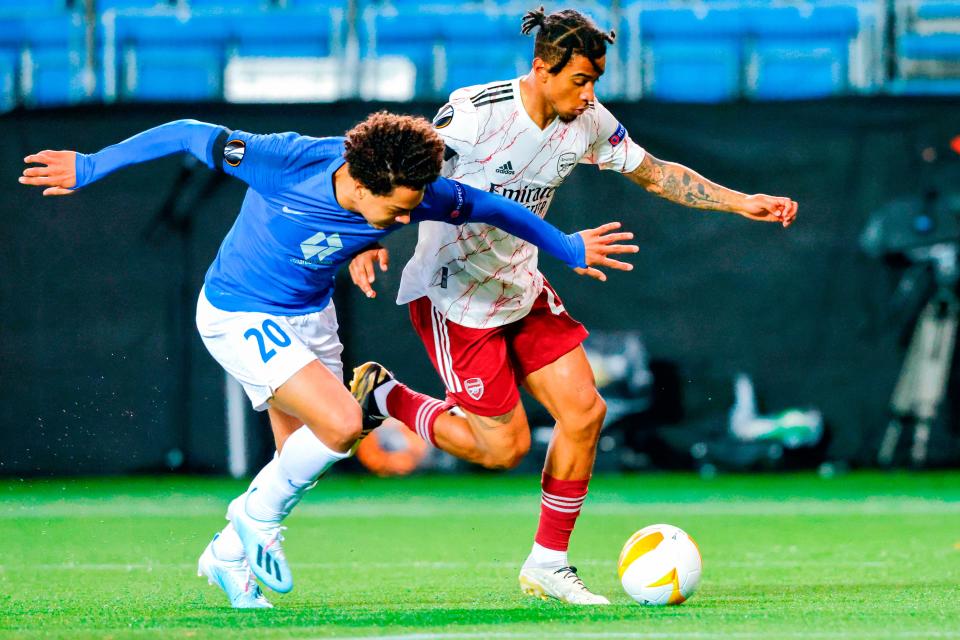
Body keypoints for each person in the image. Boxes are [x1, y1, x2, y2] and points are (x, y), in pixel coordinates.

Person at [19, 112, 638, 608]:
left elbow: (493, 208)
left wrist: (567, 245)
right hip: (239, 311)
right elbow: (187, 133)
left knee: (298, 459)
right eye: (395, 209)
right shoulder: (284, 159)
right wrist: (92, 164)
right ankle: (250, 518)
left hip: (311, 319)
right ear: (358, 181)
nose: (406, 218)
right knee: (342, 425)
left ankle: (230, 557)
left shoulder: (414, 193)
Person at [346, 7, 799, 605]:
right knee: (501, 449)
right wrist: (363, 240)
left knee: (585, 414)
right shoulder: (474, 115)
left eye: (596, 81)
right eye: (580, 80)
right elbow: (396, 175)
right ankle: (385, 396)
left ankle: (548, 563)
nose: (590, 95)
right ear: (541, 69)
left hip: (522, 288)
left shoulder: (588, 121)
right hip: (455, 298)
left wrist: (743, 203)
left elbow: (658, 174)